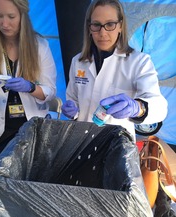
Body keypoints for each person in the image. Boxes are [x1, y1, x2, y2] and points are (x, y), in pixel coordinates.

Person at [61, 0, 167, 140]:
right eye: (96, 25)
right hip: (81, 142)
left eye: (110, 24)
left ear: (120, 26)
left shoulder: (139, 62)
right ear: (89, 27)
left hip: (117, 145)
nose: (102, 32)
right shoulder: (78, 61)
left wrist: (137, 108)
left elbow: (160, 108)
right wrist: (73, 111)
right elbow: (73, 98)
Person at [0, 0, 57, 159]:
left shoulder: (40, 46)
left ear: (23, 15)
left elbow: (50, 92)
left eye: (11, 16)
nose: (4, 23)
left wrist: (30, 87)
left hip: (31, 133)